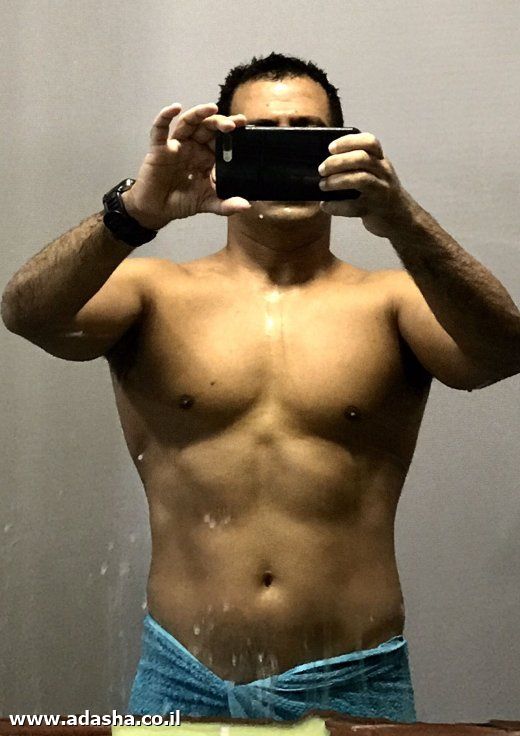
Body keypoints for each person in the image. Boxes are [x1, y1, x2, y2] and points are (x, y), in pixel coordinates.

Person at [2, 52, 519, 723]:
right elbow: (26, 314)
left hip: (351, 676)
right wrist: (135, 211)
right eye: (258, 135)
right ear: (220, 153)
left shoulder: (393, 302)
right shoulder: (152, 292)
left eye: (306, 133)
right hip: (183, 677)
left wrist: (402, 218)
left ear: (344, 149)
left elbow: (502, 353)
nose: (284, 149)